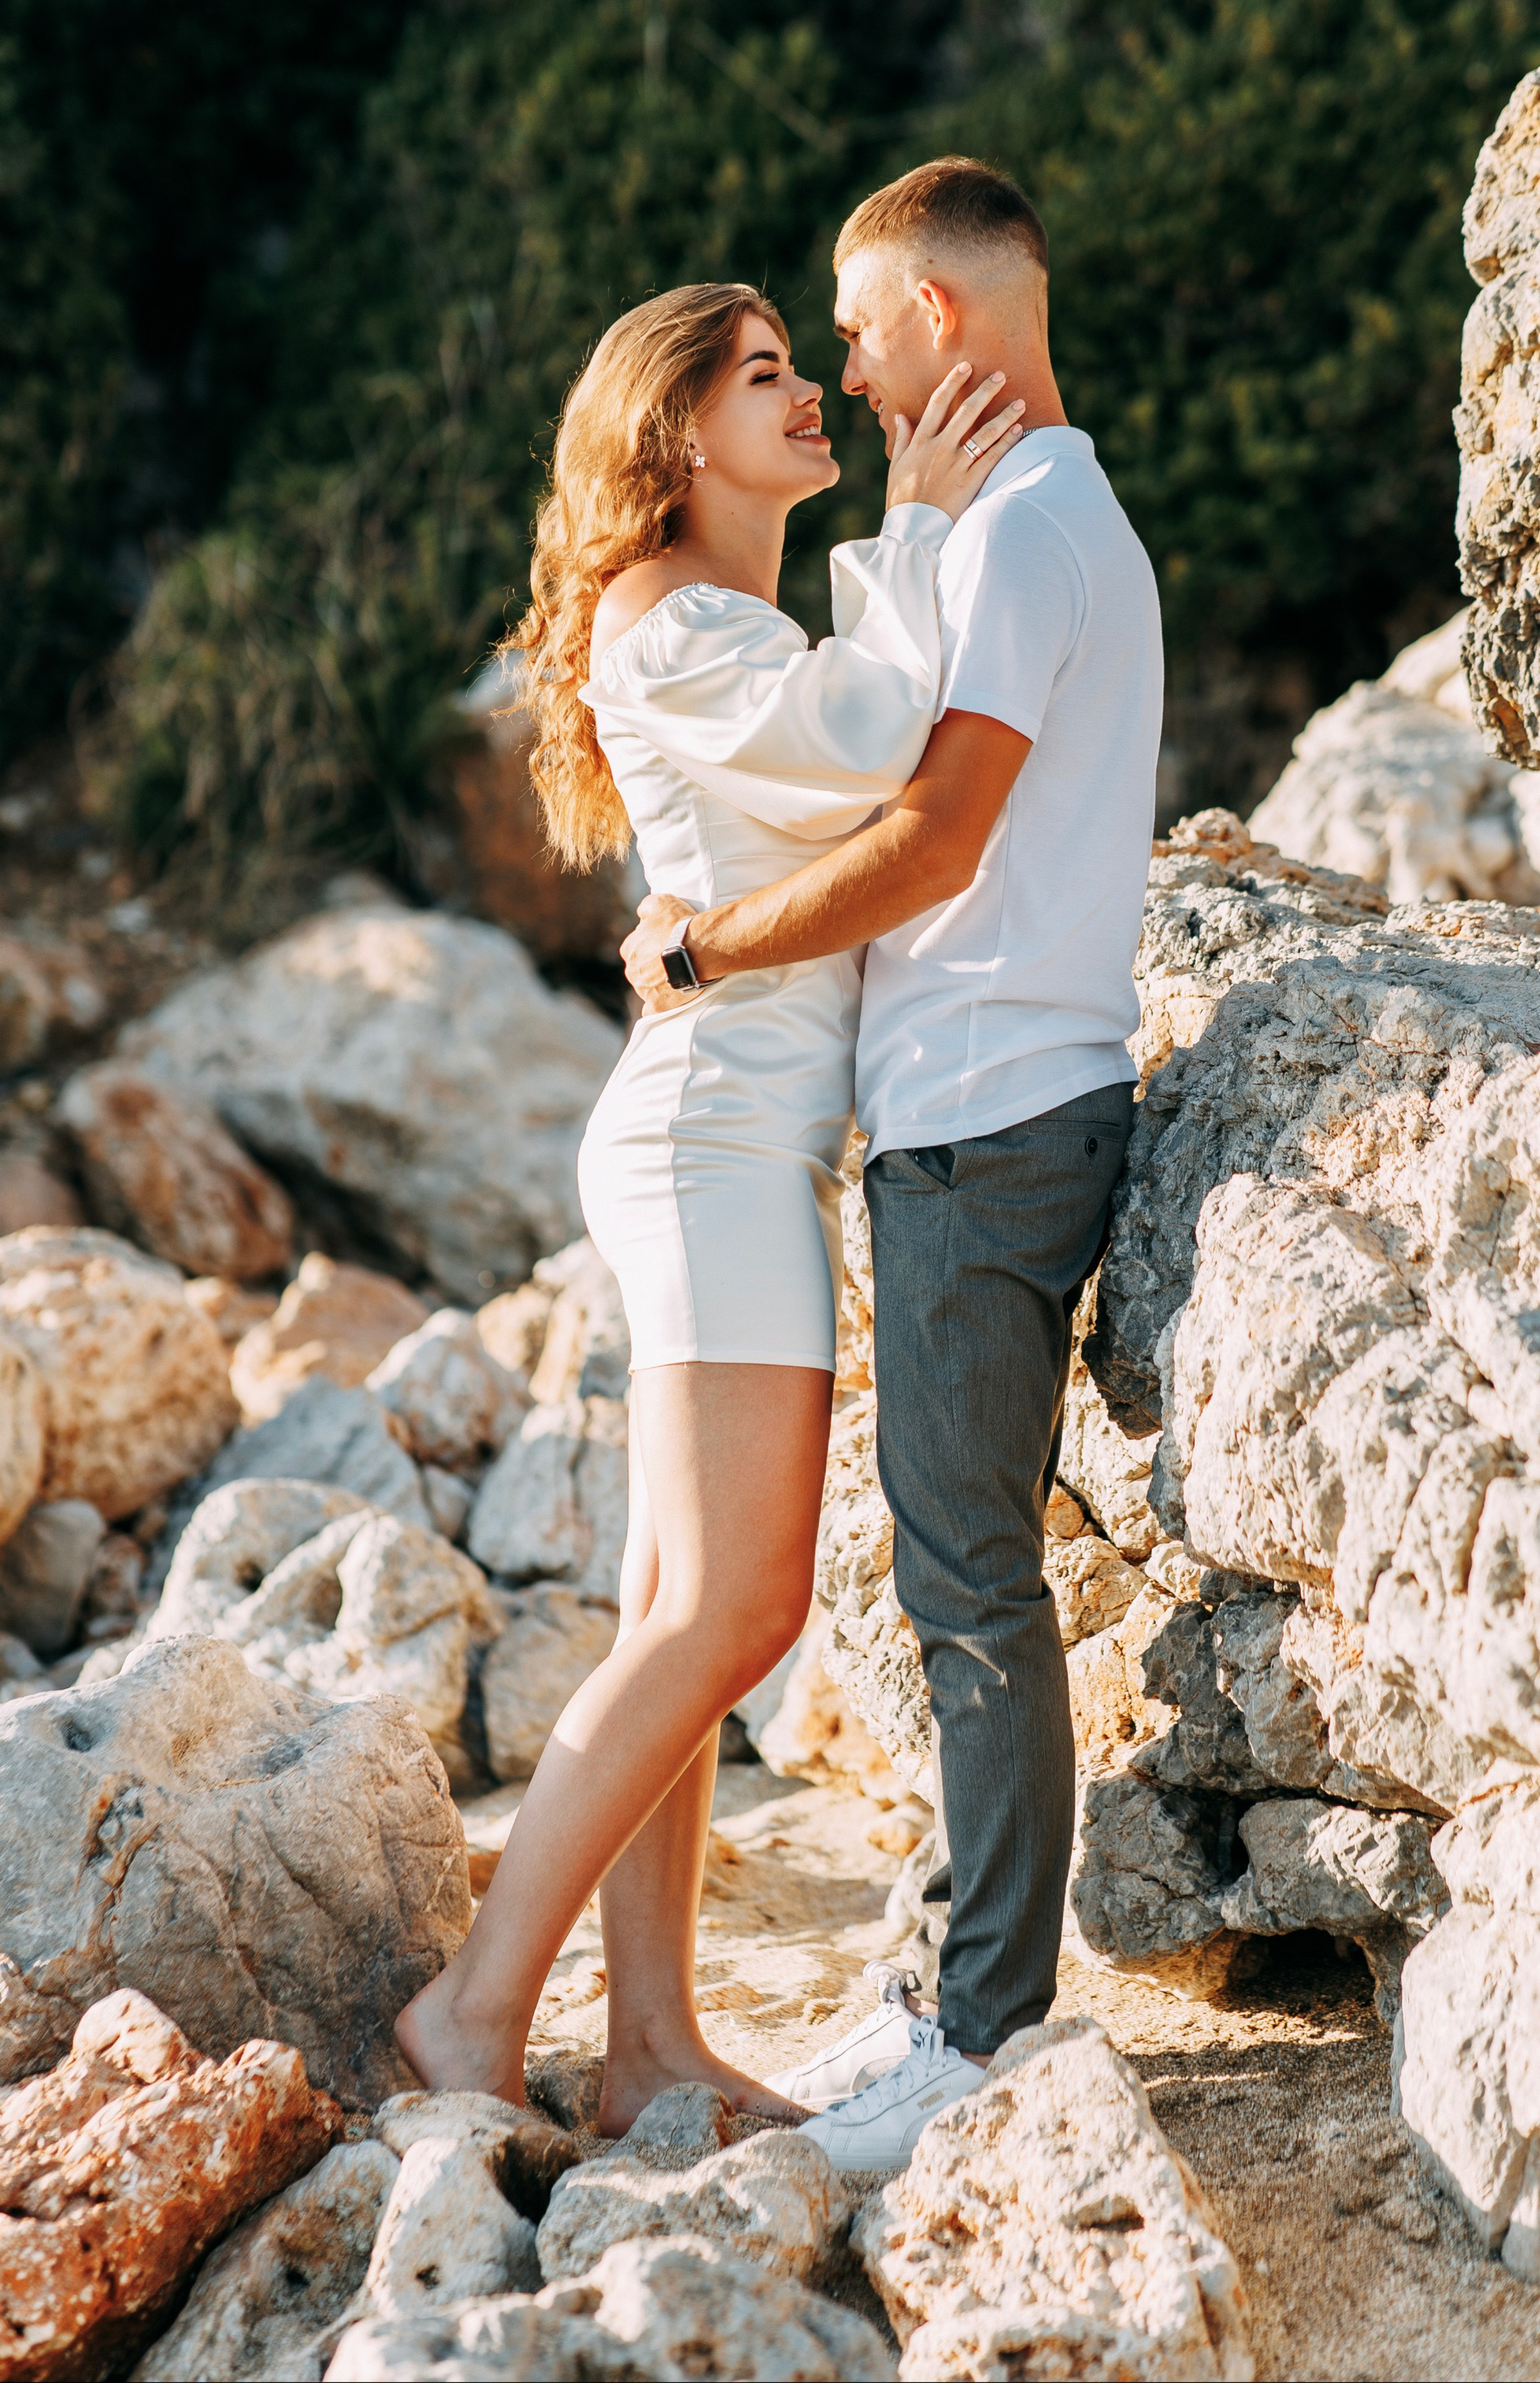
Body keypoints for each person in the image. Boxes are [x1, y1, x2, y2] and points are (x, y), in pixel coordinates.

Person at [394, 278, 1023, 2127]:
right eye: (766, 377)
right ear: (673, 435)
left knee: (677, 1602)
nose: (809, 396)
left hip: (726, 1134)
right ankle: (477, 2006)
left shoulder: (712, 614)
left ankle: (650, 2038)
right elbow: (885, 734)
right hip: (713, 1141)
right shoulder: (674, 622)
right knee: (734, 1610)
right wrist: (927, 516)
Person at [623, 158, 1164, 2167]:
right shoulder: (1020, 520)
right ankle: (954, 1958)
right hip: (967, 1109)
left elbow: (932, 837)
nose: (846, 366)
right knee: (955, 1571)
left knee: (968, 1585)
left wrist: (706, 948)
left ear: (944, 314)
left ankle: (984, 2022)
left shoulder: (1027, 529)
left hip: (992, 1114)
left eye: (857, 325)